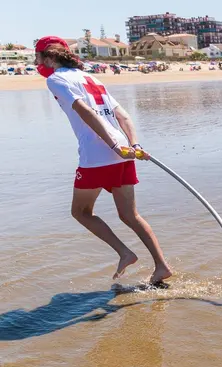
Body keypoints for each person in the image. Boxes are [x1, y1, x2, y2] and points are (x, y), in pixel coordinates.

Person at [34, 36, 172, 284]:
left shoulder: (56, 79)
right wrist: (133, 144)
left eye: (38, 56)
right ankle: (161, 266)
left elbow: (84, 111)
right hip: (123, 152)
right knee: (130, 215)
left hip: (98, 156)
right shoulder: (91, 78)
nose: (37, 61)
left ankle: (125, 252)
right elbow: (123, 115)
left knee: (81, 212)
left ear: (49, 57)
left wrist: (112, 146)